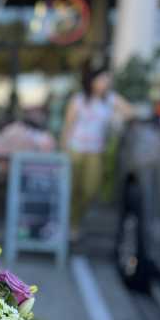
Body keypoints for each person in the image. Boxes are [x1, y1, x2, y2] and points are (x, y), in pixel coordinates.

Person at [61, 63, 134, 239]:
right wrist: (63, 149)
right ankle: (71, 225)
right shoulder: (78, 99)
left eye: (107, 80)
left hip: (96, 151)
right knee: (72, 189)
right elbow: (68, 126)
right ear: (92, 81)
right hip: (75, 149)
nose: (105, 83)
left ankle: (75, 220)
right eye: (102, 79)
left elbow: (131, 112)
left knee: (91, 190)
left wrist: (118, 118)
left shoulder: (110, 100)